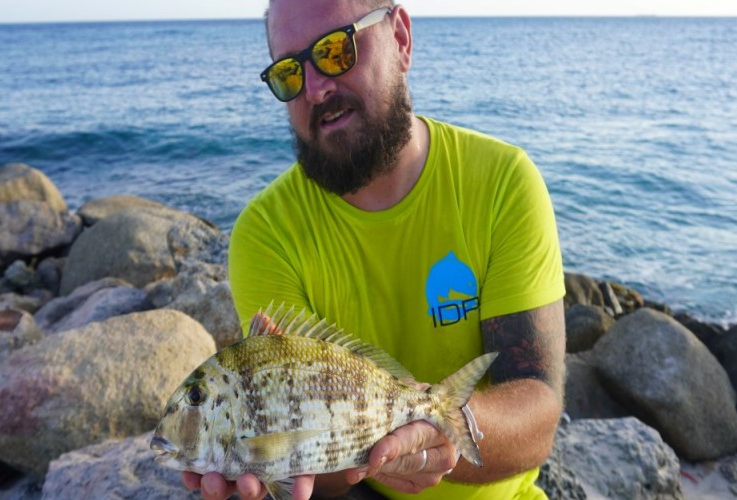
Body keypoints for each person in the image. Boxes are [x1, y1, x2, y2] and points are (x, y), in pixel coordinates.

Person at [183, 0, 566, 498]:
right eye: (289, 73)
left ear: (401, 39)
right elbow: (317, 480)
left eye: (336, 49)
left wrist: (444, 432)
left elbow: (537, 413)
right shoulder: (264, 233)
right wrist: (265, 458)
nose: (316, 87)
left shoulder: (502, 183)